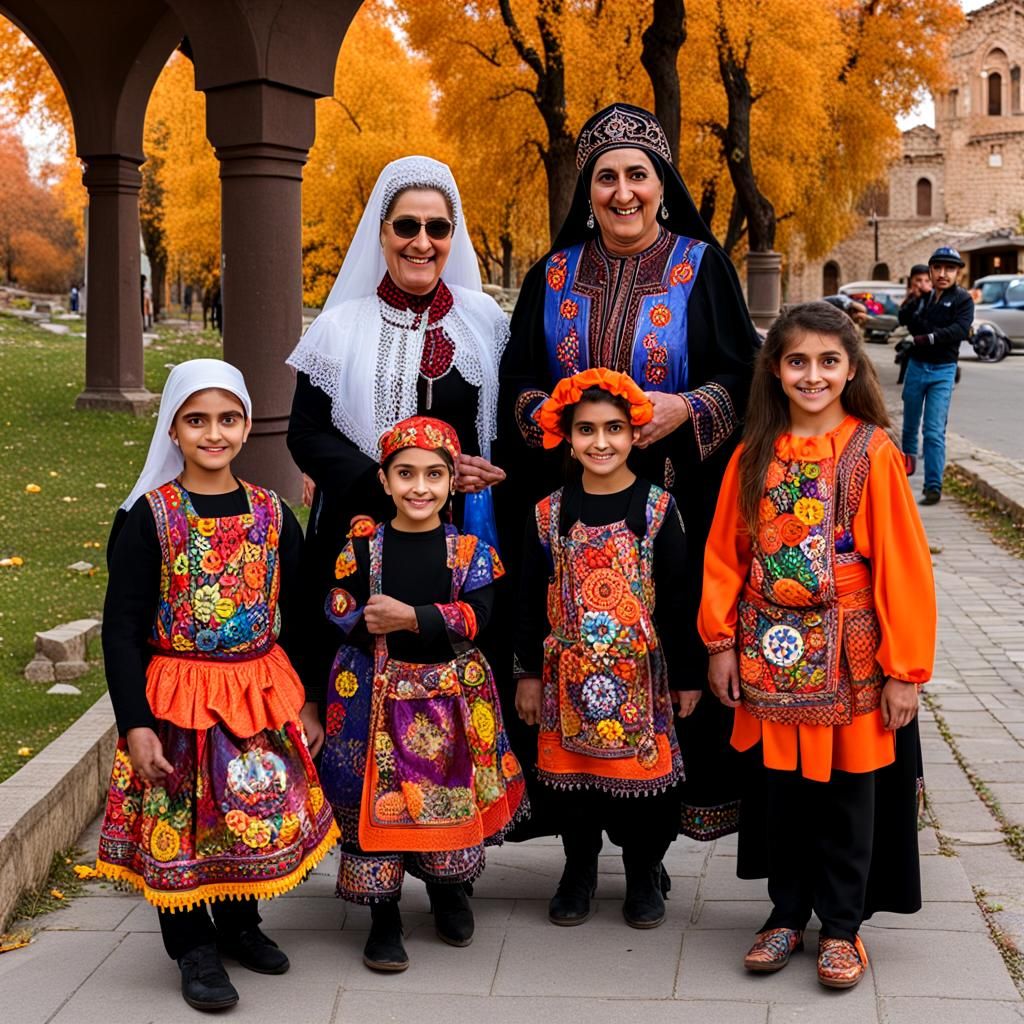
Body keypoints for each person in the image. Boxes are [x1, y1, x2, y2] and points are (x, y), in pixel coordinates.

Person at [498, 103, 758, 852]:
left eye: (636, 176)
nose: (621, 192)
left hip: (676, 509)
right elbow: (517, 374)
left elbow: (743, 372)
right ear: (587, 192)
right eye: (605, 177)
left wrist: (687, 406)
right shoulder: (551, 275)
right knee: (572, 660)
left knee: (665, 663)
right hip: (570, 515)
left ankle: (652, 851)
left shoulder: (699, 267)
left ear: (661, 183)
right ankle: (577, 843)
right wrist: (545, 416)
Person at [700, 301, 935, 989]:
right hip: (769, 652)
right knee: (782, 797)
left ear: (851, 369)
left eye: (828, 362)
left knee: (847, 796)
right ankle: (784, 913)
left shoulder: (874, 453)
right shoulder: (753, 453)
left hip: (851, 656)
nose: (812, 375)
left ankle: (842, 927)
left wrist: (906, 670)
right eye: (797, 360)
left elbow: (903, 565)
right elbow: (725, 553)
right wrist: (718, 642)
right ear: (774, 369)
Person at [96, 359, 339, 1012]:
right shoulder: (149, 519)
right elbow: (119, 627)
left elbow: (304, 613)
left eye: (227, 419)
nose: (213, 433)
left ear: (246, 425)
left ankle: (238, 922)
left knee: (247, 811)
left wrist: (309, 698)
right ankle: (191, 946)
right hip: (177, 695)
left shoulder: (271, 513)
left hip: (256, 692)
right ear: (173, 430)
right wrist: (135, 722)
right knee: (181, 815)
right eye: (196, 420)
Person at [287, 155, 510, 703]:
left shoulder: (486, 321)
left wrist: (485, 465)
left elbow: (502, 424)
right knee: (363, 670)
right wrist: (388, 481)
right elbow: (306, 433)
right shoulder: (340, 328)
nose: (422, 242)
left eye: (437, 228)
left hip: (463, 529)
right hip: (362, 524)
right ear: (381, 234)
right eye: (406, 226)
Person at [317, 415, 526, 972]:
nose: (419, 487)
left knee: (444, 794)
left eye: (434, 475)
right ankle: (382, 915)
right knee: (373, 799)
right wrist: (365, 620)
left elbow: (481, 617)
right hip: (371, 698)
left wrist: (413, 617)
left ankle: (447, 892)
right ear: (383, 480)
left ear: (451, 482)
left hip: (446, 700)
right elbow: (335, 606)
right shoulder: (360, 548)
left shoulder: (469, 552)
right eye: (405, 473)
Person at [514, 369, 693, 928]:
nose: (600, 442)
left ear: (635, 434)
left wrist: (687, 674)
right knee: (574, 789)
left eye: (614, 429)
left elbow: (681, 598)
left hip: (641, 679)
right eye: (586, 429)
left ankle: (644, 871)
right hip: (567, 679)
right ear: (567, 436)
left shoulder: (659, 509)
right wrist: (527, 675)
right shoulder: (548, 513)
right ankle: (579, 871)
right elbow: (526, 599)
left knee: (645, 787)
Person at [897, 246, 974, 504]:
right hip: (917, 367)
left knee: (932, 430)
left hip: (943, 370)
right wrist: (913, 298)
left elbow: (959, 330)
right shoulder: (924, 298)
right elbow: (904, 320)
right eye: (938, 268)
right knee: (908, 427)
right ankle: (903, 475)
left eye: (949, 269)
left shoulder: (962, 299)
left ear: (958, 273)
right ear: (930, 270)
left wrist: (926, 337)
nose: (943, 273)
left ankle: (933, 486)